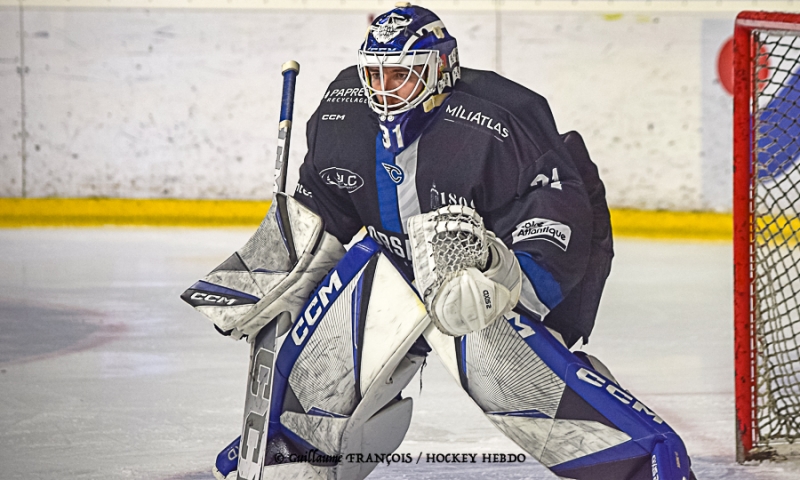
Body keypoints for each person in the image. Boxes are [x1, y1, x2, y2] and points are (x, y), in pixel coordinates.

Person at [210, 3, 696, 479]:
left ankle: (641, 458)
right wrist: (272, 268)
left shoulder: (500, 116)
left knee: (507, 378)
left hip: (487, 266)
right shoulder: (343, 110)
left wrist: (501, 272)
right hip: (395, 254)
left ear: (441, 69)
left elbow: (559, 206)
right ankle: (296, 449)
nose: (383, 91)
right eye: (375, 76)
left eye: (400, 75)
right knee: (331, 341)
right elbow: (321, 204)